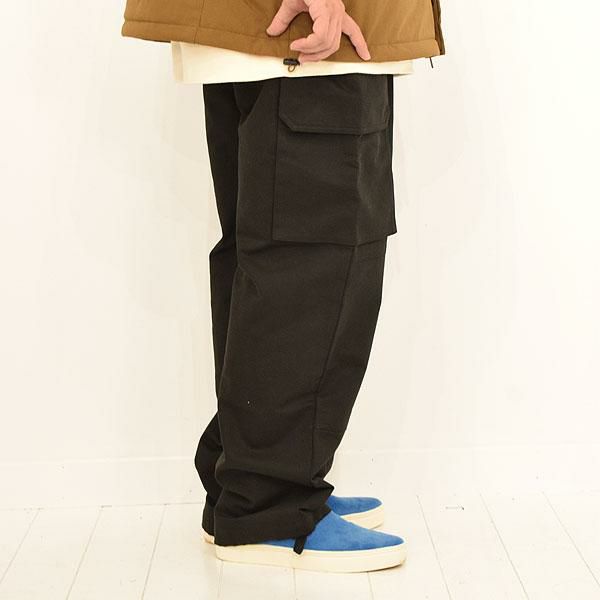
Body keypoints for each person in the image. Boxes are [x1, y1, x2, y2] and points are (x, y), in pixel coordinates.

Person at [121, 0, 444, 573]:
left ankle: (246, 487)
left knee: (267, 261)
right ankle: (268, 508)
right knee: (310, 267)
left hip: (263, 33)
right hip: (307, 37)